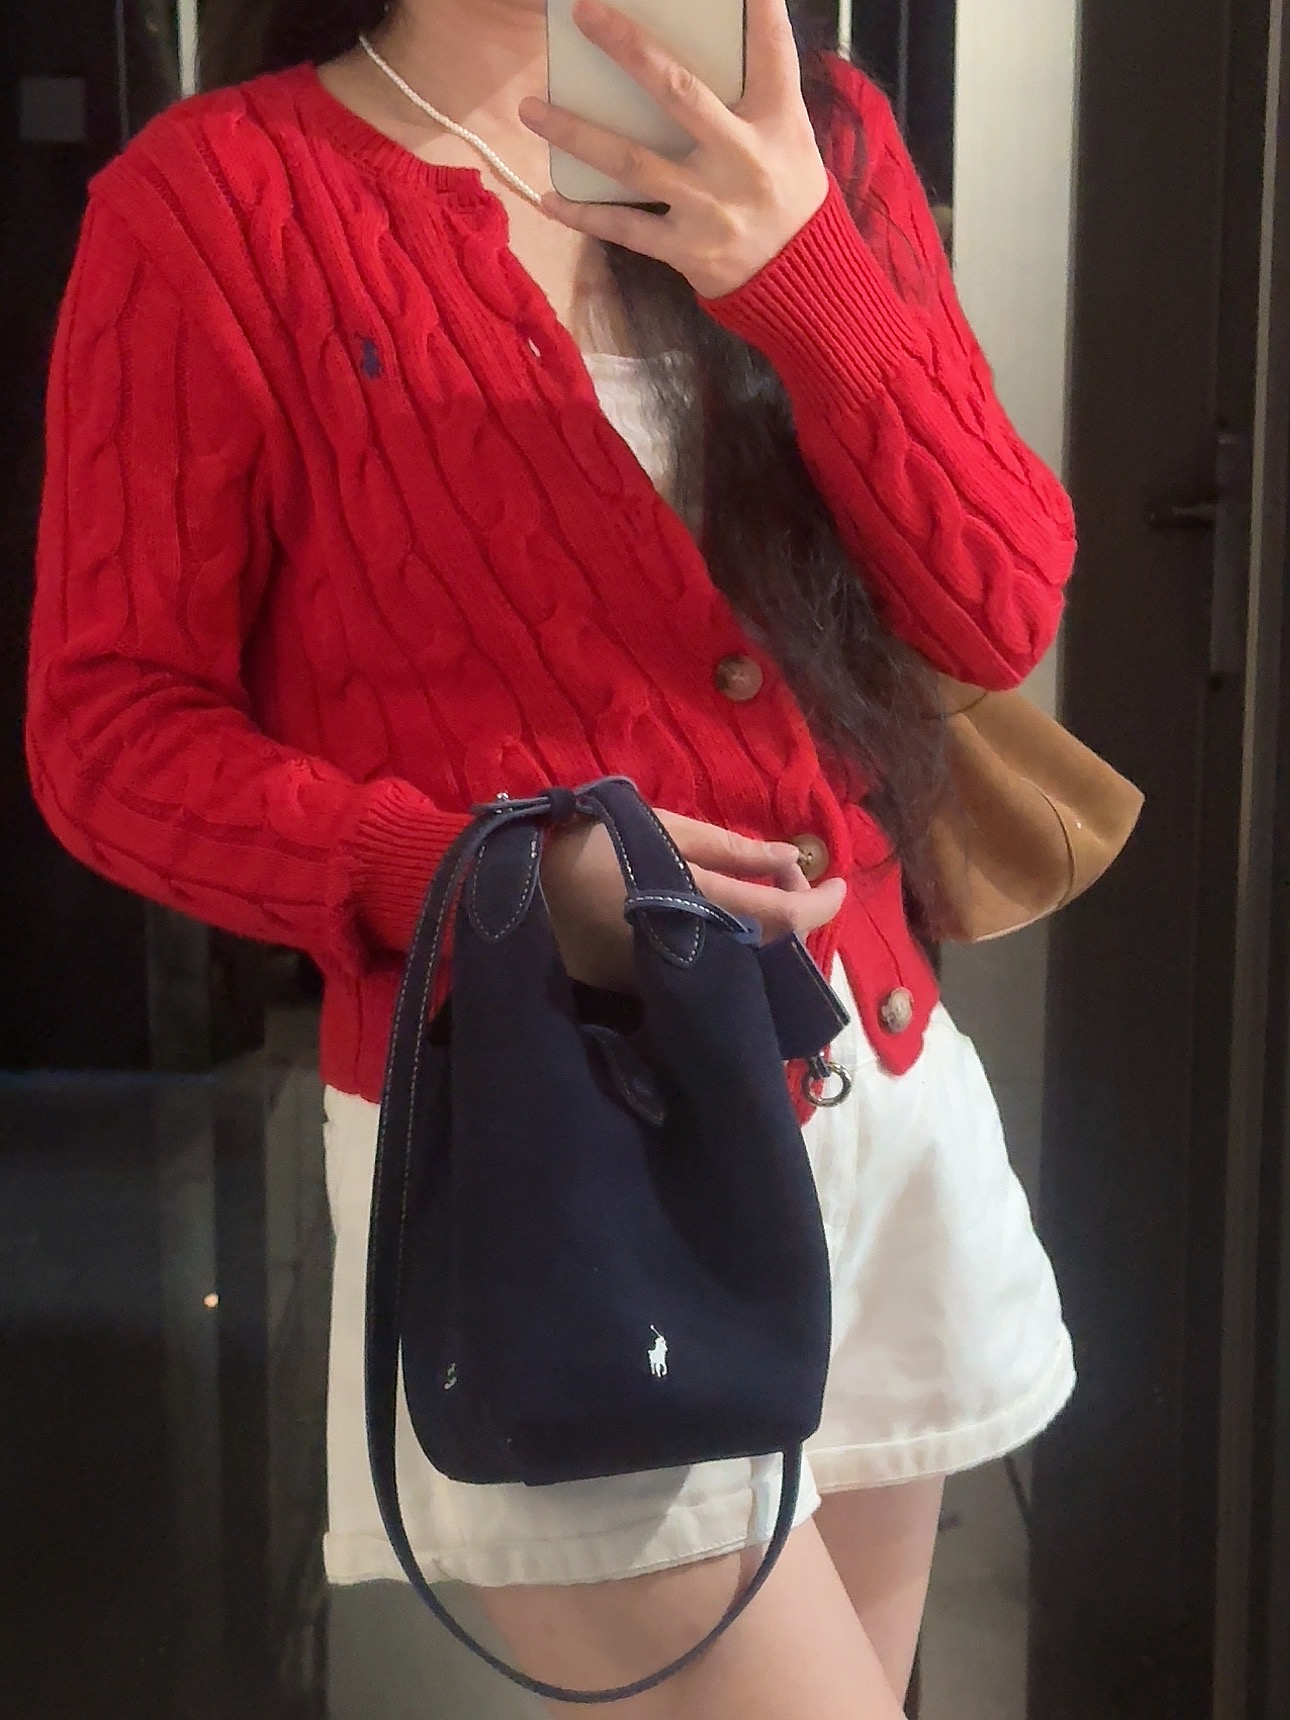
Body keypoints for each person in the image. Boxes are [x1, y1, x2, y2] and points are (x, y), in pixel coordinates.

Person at [26, 0, 1078, 1713]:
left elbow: (998, 604)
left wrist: (801, 269)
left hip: (869, 1085)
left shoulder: (811, 130)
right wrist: (491, 880)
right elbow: (107, 736)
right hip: (549, 1139)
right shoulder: (216, 200)